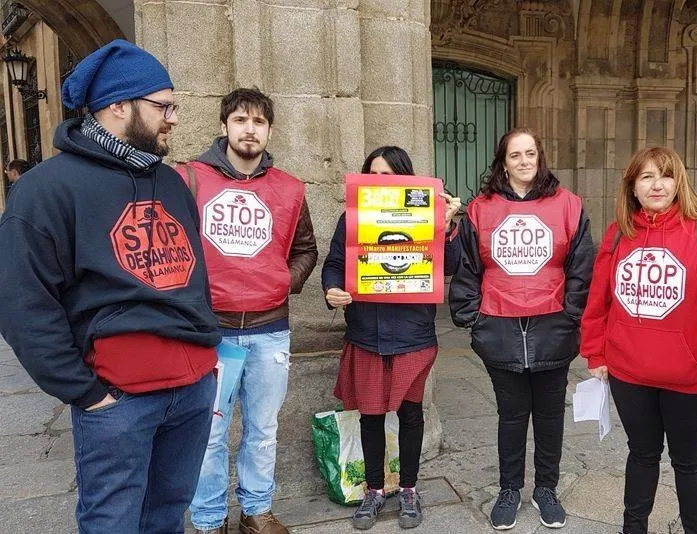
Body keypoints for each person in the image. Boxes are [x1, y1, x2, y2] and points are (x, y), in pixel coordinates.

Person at [0, 39, 221, 533]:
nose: (173, 118)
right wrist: (85, 392)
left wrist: (208, 364)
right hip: (118, 399)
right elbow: (22, 304)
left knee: (167, 518)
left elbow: (195, 277)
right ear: (119, 105)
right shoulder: (44, 189)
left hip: (192, 389)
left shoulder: (171, 183)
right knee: (112, 523)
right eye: (163, 106)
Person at [579, 146, 697, 534]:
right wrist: (595, 352)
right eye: (646, 176)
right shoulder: (619, 233)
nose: (657, 185)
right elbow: (599, 298)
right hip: (629, 372)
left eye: (666, 175)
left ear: (678, 182)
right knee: (641, 454)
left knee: (689, 461)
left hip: (690, 377)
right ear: (632, 186)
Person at [182, 88, 319, 534]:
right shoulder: (190, 179)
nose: (249, 129)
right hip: (211, 331)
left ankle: (257, 510)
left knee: (263, 429)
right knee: (209, 433)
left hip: (268, 329)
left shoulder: (290, 189)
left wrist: (283, 282)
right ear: (224, 126)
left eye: (259, 122)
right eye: (240, 120)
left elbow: (306, 249)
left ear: (269, 131)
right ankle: (208, 519)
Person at [449, 127, 594, 530]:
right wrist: (472, 317)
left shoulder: (568, 205)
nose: (524, 161)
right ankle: (509, 489)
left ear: (540, 157)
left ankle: (546, 489)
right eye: (515, 155)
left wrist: (571, 314)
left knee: (550, 415)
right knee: (511, 416)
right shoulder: (481, 209)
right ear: (503, 163)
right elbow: (467, 267)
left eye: (530, 153)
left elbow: (582, 266)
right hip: (499, 330)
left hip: (552, 329)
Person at [322, 146, 462, 530]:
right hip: (367, 333)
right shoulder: (350, 218)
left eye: (388, 175)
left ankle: (409, 489)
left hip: (413, 335)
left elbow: (449, 266)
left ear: (404, 179)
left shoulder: (429, 216)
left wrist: (447, 225)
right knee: (370, 415)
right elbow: (335, 263)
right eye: (372, 175)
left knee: (411, 414)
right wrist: (332, 289)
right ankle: (374, 489)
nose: (379, 182)